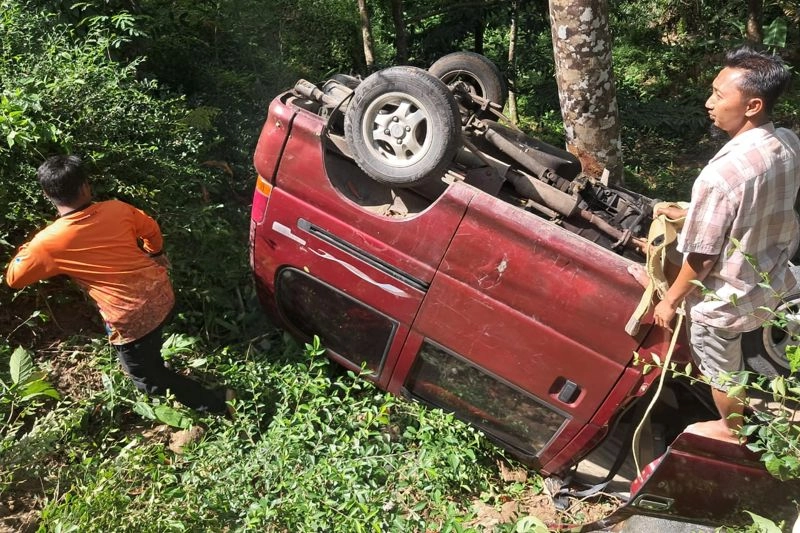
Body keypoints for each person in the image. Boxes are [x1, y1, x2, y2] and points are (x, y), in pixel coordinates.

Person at [629, 46, 800, 443]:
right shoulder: (789, 142)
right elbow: (758, 202)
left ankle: (731, 427)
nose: (709, 103)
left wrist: (669, 301)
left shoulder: (719, 177)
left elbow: (702, 260)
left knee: (721, 365)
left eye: (720, 96)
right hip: (773, 273)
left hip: (729, 296)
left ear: (753, 105)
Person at [5, 155, 231, 415]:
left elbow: (14, 277)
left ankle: (219, 403)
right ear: (86, 186)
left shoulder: (48, 243)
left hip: (131, 319)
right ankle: (164, 366)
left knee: (147, 380)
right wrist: (155, 253)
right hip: (162, 293)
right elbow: (151, 229)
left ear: (47, 194)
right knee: (150, 350)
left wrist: (32, 244)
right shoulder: (117, 208)